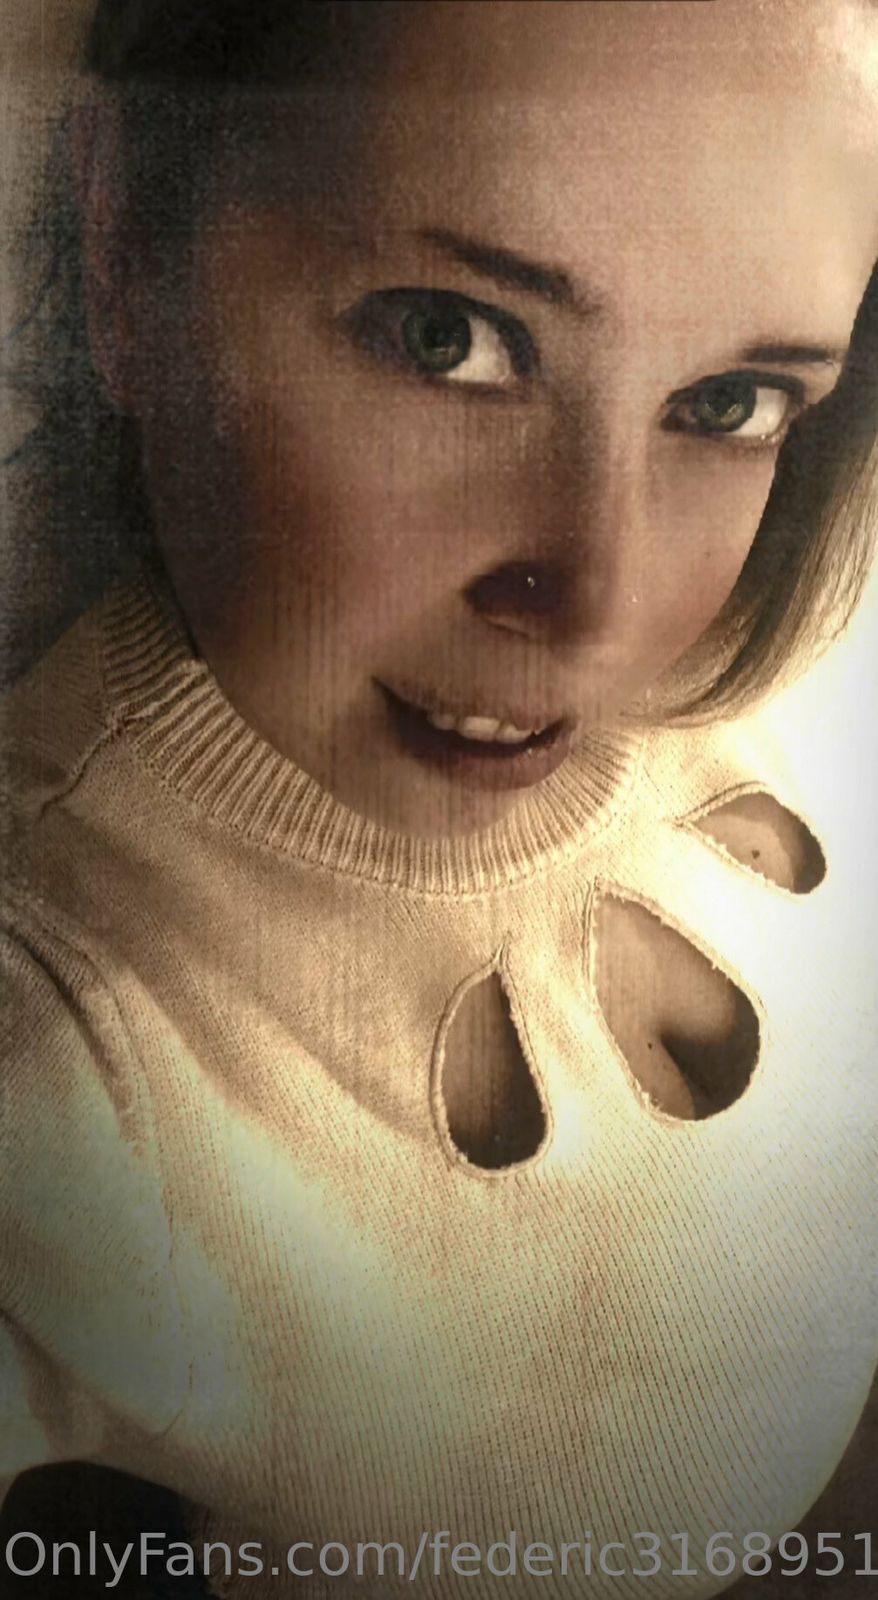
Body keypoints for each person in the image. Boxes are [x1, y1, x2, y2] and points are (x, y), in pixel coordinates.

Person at [1, 2, 877, 1596]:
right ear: (127, 251)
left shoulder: (824, 611)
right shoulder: (58, 1042)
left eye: (729, 402)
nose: (602, 604)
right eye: (446, 338)